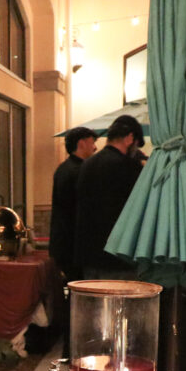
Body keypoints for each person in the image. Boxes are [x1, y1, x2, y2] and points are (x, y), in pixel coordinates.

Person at [72, 115, 143, 279]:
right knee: (123, 304)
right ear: (130, 138)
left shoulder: (86, 165)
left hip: (89, 254)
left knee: (94, 302)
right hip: (119, 255)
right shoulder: (129, 167)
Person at [48, 126, 97, 280]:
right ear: (81, 143)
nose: (95, 147)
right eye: (92, 142)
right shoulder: (78, 171)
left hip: (63, 243)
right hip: (72, 244)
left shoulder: (64, 168)